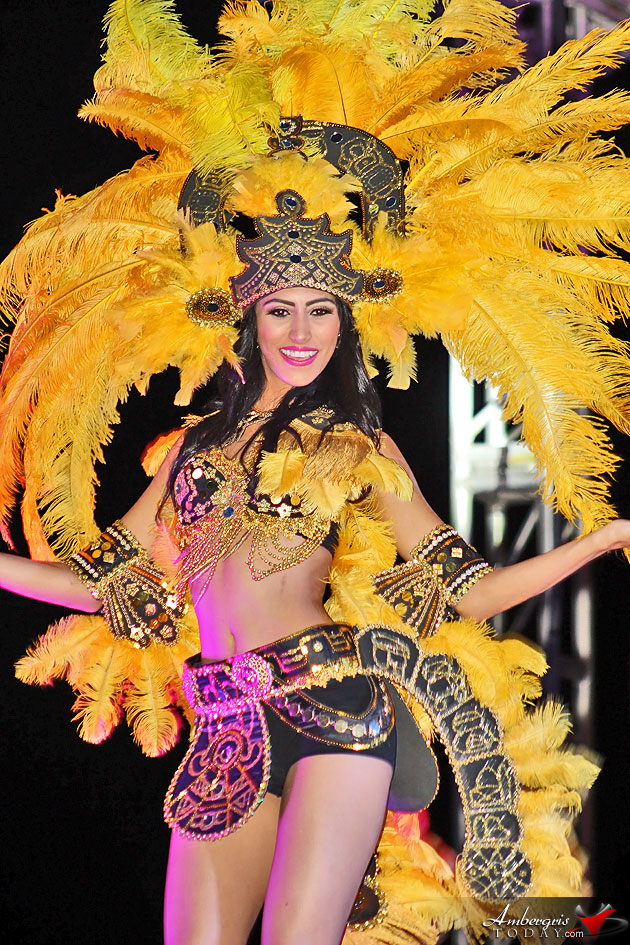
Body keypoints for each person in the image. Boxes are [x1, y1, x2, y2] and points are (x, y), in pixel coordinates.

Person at [3, 2, 630, 944]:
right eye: (282, 311)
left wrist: (606, 539)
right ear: (246, 321)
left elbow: (470, 590)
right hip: (222, 726)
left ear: (346, 323)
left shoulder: (362, 447)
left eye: (322, 313)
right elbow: (102, 579)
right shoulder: (189, 456)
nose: (302, 333)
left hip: (337, 705)